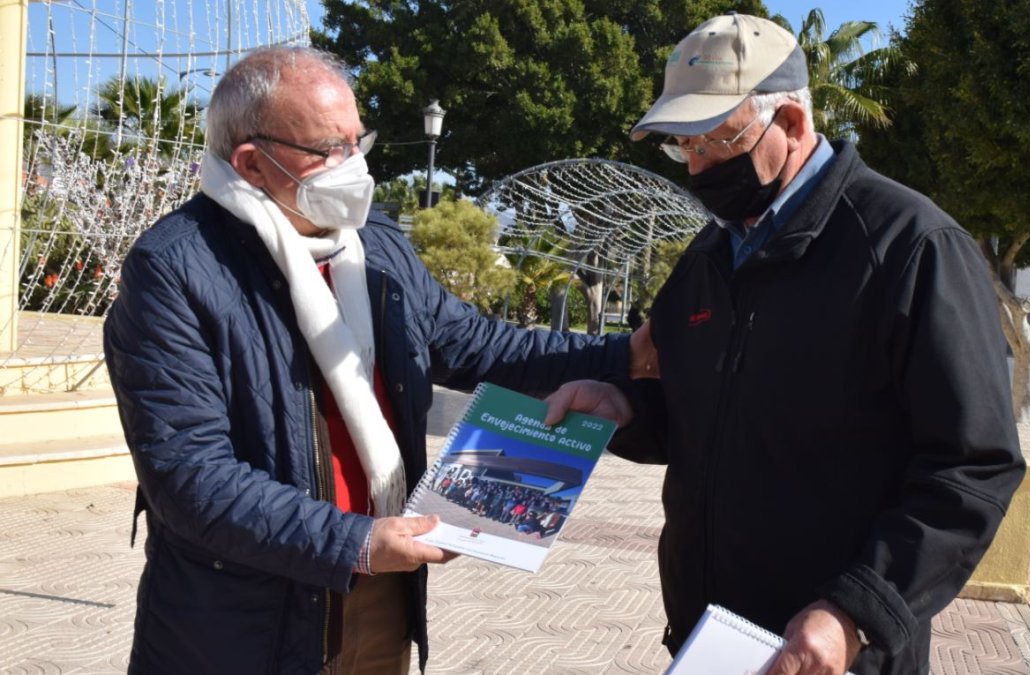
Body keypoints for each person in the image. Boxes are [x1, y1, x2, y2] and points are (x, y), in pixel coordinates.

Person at [104, 46, 653, 674]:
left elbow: (476, 345)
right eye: (327, 149)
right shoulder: (175, 269)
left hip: (378, 592)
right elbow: (190, 478)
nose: (353, 166)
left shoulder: (376, 248)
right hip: (244, 613)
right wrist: (356, 542)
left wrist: (624, 353)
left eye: (356, 141)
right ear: (252, 163)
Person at [545, 13, 1025, 675]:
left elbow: (973, 468)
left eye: (712, 142)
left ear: (793, 124)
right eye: (681, 147)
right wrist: (624, 409)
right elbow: (704, 413)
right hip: (707, 645)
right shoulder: (707, 259)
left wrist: (854, 613)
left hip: (836, 657)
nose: (695, 166)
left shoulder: (911, 248)